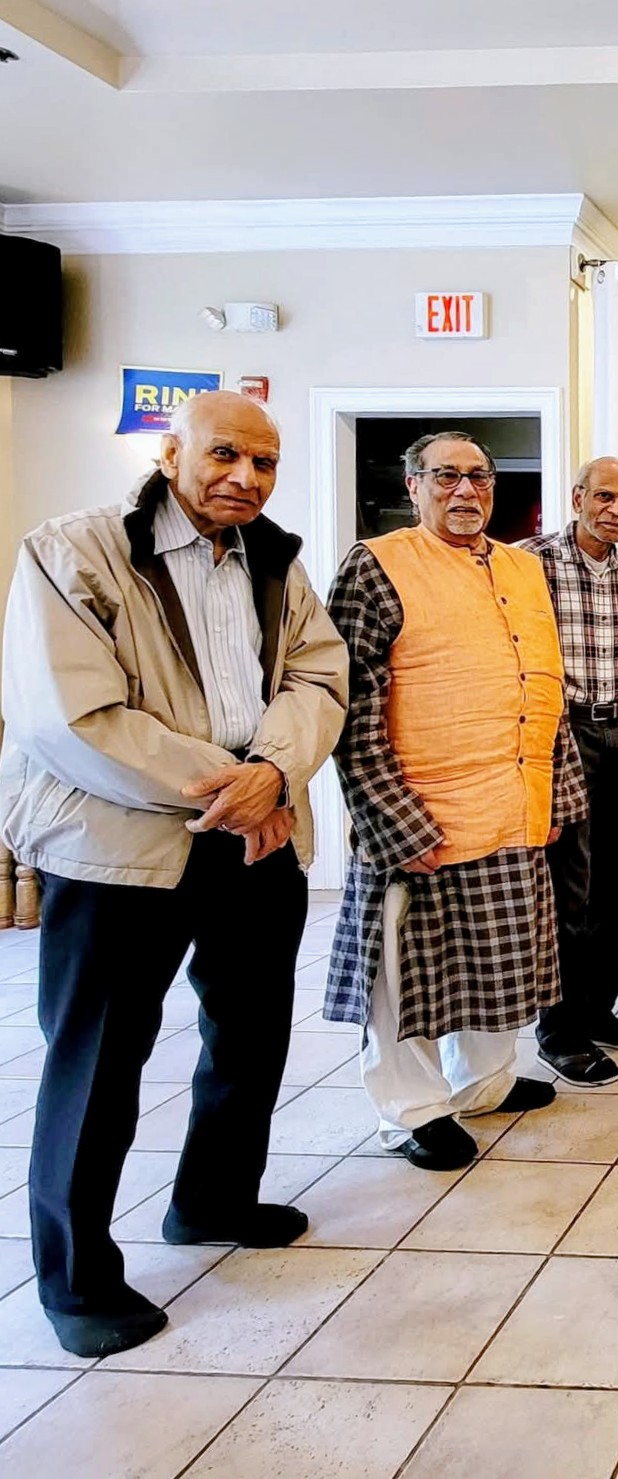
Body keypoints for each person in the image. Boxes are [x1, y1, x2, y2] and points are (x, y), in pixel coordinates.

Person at [0, 391, 346, 1357]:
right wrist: (233, 786)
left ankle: (213, 1199)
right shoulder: (73, 549)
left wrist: (272, 769)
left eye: (264, 462)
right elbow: (70, 714)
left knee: (251, 1031)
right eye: (225, 454)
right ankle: (76, 1282)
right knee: (98, 1059)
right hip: (124, 844)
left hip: (258, 836)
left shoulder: (273, 557)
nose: (246, 476)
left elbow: (320, 676)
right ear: (170, 453)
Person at [325, 430, 578, 1172]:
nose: (465, 490)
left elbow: (545, 683)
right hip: (422, 814)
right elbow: (349, 707)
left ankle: (484, 1082)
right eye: (445, 476)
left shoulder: (523, 567)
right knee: (405, 974)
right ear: (413, 486)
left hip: (513, 802)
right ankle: (412, 1110)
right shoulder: (375, 565)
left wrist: (556, 794)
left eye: (479, 477)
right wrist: (394, 821)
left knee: (499, 960)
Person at [520, 456, 618, 1089]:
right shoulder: (530, 563)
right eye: (605, 497)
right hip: (565, 731)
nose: (616, 510)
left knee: (613, 883)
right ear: (577, 496)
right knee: (568, 889)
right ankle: (560, 1030)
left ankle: (600, 1010)